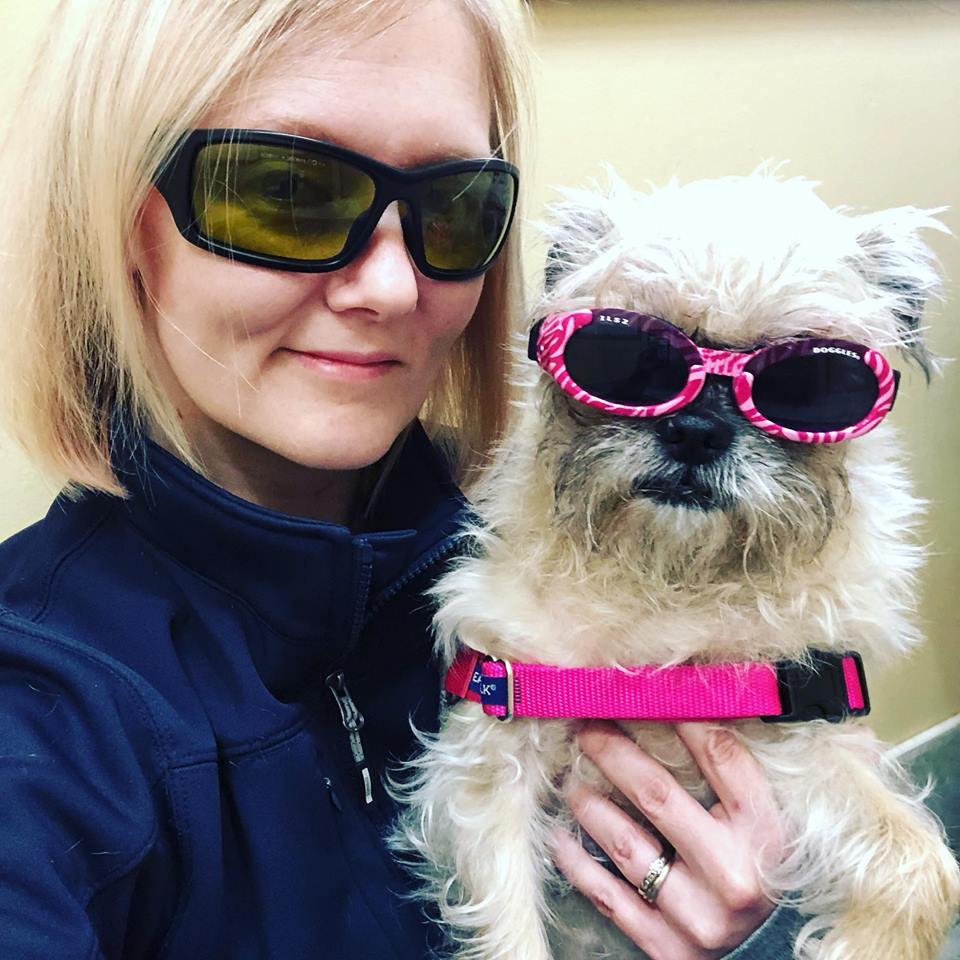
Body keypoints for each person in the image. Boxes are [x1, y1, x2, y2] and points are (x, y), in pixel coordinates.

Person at [0, 1, 808, 957]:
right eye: (284, 192)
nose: (391, 288)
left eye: (453, 204)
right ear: (120, 225)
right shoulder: (41, 719)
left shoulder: (572, 555)